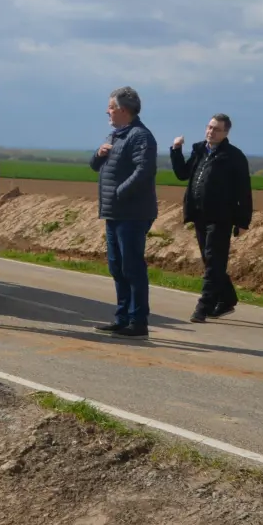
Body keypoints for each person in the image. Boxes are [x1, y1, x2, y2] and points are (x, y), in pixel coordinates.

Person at [89, 86, 158, 338]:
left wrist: (119, 192)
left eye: (111, 107)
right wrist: (99, 153)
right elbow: (95, 166)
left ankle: (138, 321)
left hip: (133, 213)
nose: (107, 111)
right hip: (114, 212)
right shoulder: (115, 135)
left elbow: (145, 170)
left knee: (132, 267)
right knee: (117, 267)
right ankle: (122, 317)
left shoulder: (140, 136)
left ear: (124, 110)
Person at [170, 114, 252, 322]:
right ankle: (227, 298)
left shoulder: (234, 156)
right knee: (210, 261)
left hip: (221, 217)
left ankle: (203, 307)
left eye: (216, 129)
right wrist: (176, 151)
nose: (210, 132)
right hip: (199, 215)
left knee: (215, 262)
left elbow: (244, 191)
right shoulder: (199, 150)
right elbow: (182, 174)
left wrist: (243, 222)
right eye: (209, 127)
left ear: (225, 133)